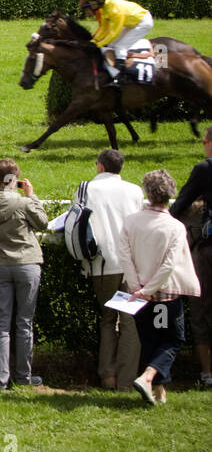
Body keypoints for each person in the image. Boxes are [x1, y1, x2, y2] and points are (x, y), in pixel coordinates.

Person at [117, 170, 202, 405]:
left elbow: (124, 255)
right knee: (173, 340)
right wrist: (148, 289)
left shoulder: (131, 221)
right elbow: (169, 265)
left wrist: (137, 287)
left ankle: (157, 390)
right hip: (165, 296)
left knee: (151, 341)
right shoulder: (175, 227)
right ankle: (148, 378)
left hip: (139, 294)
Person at [76, 149, 145, 390]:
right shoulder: (135, 191)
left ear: (100, 167)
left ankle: (107, 375)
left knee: (107, 319)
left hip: (101, 263)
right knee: (129, 321)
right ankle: (126, 382)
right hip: (131, 265)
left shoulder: (87, 189)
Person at [0, 158, 48, 390]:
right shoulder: (22, 202)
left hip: (0, 264)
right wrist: (31, 196)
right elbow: (43, 222)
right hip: (27, 263)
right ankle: (23, 377)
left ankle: (0, 379)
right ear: (13, 180)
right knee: (24, 323)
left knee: (2, 324)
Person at [170, 125, 212, 388]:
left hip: (209, 249)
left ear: (209, 142)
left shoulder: (204, 169)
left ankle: (207, 373)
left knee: (202, 308)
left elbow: (178, 206)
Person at [78, 0, 153, 86]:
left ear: (100, 1)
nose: (91, 5)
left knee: (120, 46)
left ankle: (121, 77)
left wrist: (99, 44)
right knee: (110, 44)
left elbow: (114, 33)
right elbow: (104, 29)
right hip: (132, 22)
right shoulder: (104, 8)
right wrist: (94, 41)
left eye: (92, 2)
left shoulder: (114, 10)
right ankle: (114, 71)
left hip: (143, 22)